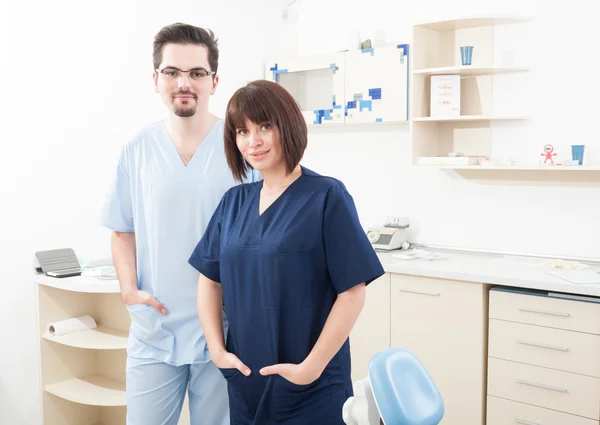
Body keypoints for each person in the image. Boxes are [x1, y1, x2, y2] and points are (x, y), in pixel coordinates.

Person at [188, 79, 385, 425]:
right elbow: (208, 279)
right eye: (242, 131)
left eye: (265, 126)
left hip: (310, 383)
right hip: (247, 380)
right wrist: (218, 352)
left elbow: (352, 292)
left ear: (288, 126)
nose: (254, 141)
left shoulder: (326, 196)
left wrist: (311, 368)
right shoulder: (234, 203)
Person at [100, 23, 257, 425]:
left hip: (224, 333)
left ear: (214, 81)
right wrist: (128, 289)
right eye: (171, 72)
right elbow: (122, 230)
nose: (183, 82)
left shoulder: (242, 146)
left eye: (196, 73)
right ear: (156, 80)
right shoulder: (137, 148)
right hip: (156, 329)